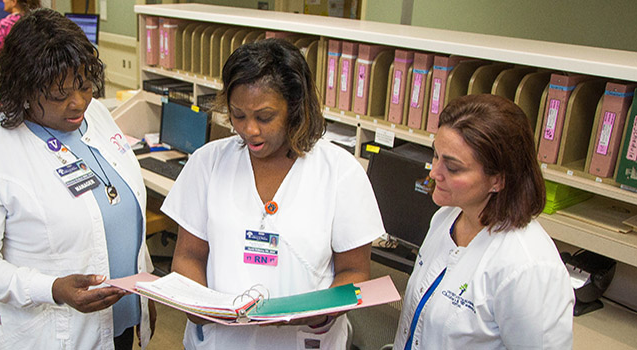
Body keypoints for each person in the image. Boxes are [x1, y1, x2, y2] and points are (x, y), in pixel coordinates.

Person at [0, 9, 155, 350]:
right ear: (23, 87)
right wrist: (51, 288)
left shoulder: (96, 115)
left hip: (121, 322)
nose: (78, 103)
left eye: (85, 86)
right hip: (54, 334)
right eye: (59, 95)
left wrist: (144, 293)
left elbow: (121, 213)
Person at [162, 38, 384, 349]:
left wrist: (318, 315)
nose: (249, 129)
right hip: (221, 339)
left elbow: (355, 271)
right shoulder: (209, 163)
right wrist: (196, 305)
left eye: (264, 117)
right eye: (238, 115)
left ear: (295, 108)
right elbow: (188, 256)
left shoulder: (340, 172)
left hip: (300, 339)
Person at [392, 94, 573, 350]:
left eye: (453, 168)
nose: (434, 173)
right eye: (436, 155)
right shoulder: (446, 218)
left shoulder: (528, 267)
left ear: (498, 179)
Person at [0, 0, 40, 70]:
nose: (3, 1)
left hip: (13, 77)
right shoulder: (39, 23)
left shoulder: (3, 26)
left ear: (14, 1)